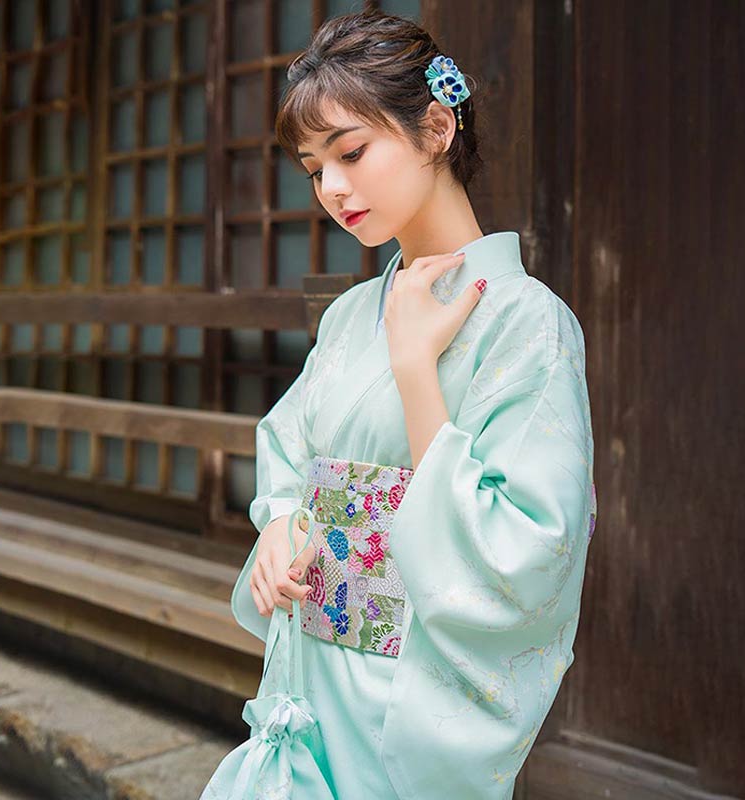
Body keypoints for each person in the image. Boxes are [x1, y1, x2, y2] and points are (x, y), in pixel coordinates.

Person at [230, 10, 597, 800]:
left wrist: (415, 370)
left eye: (352, 153)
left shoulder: (530, 324)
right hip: (309, 683)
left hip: (406, 708)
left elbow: (528, 549)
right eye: (314, 168)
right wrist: (282, 522)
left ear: (435, 127)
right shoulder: (350, 315)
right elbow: (289, 452)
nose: (332, 188)